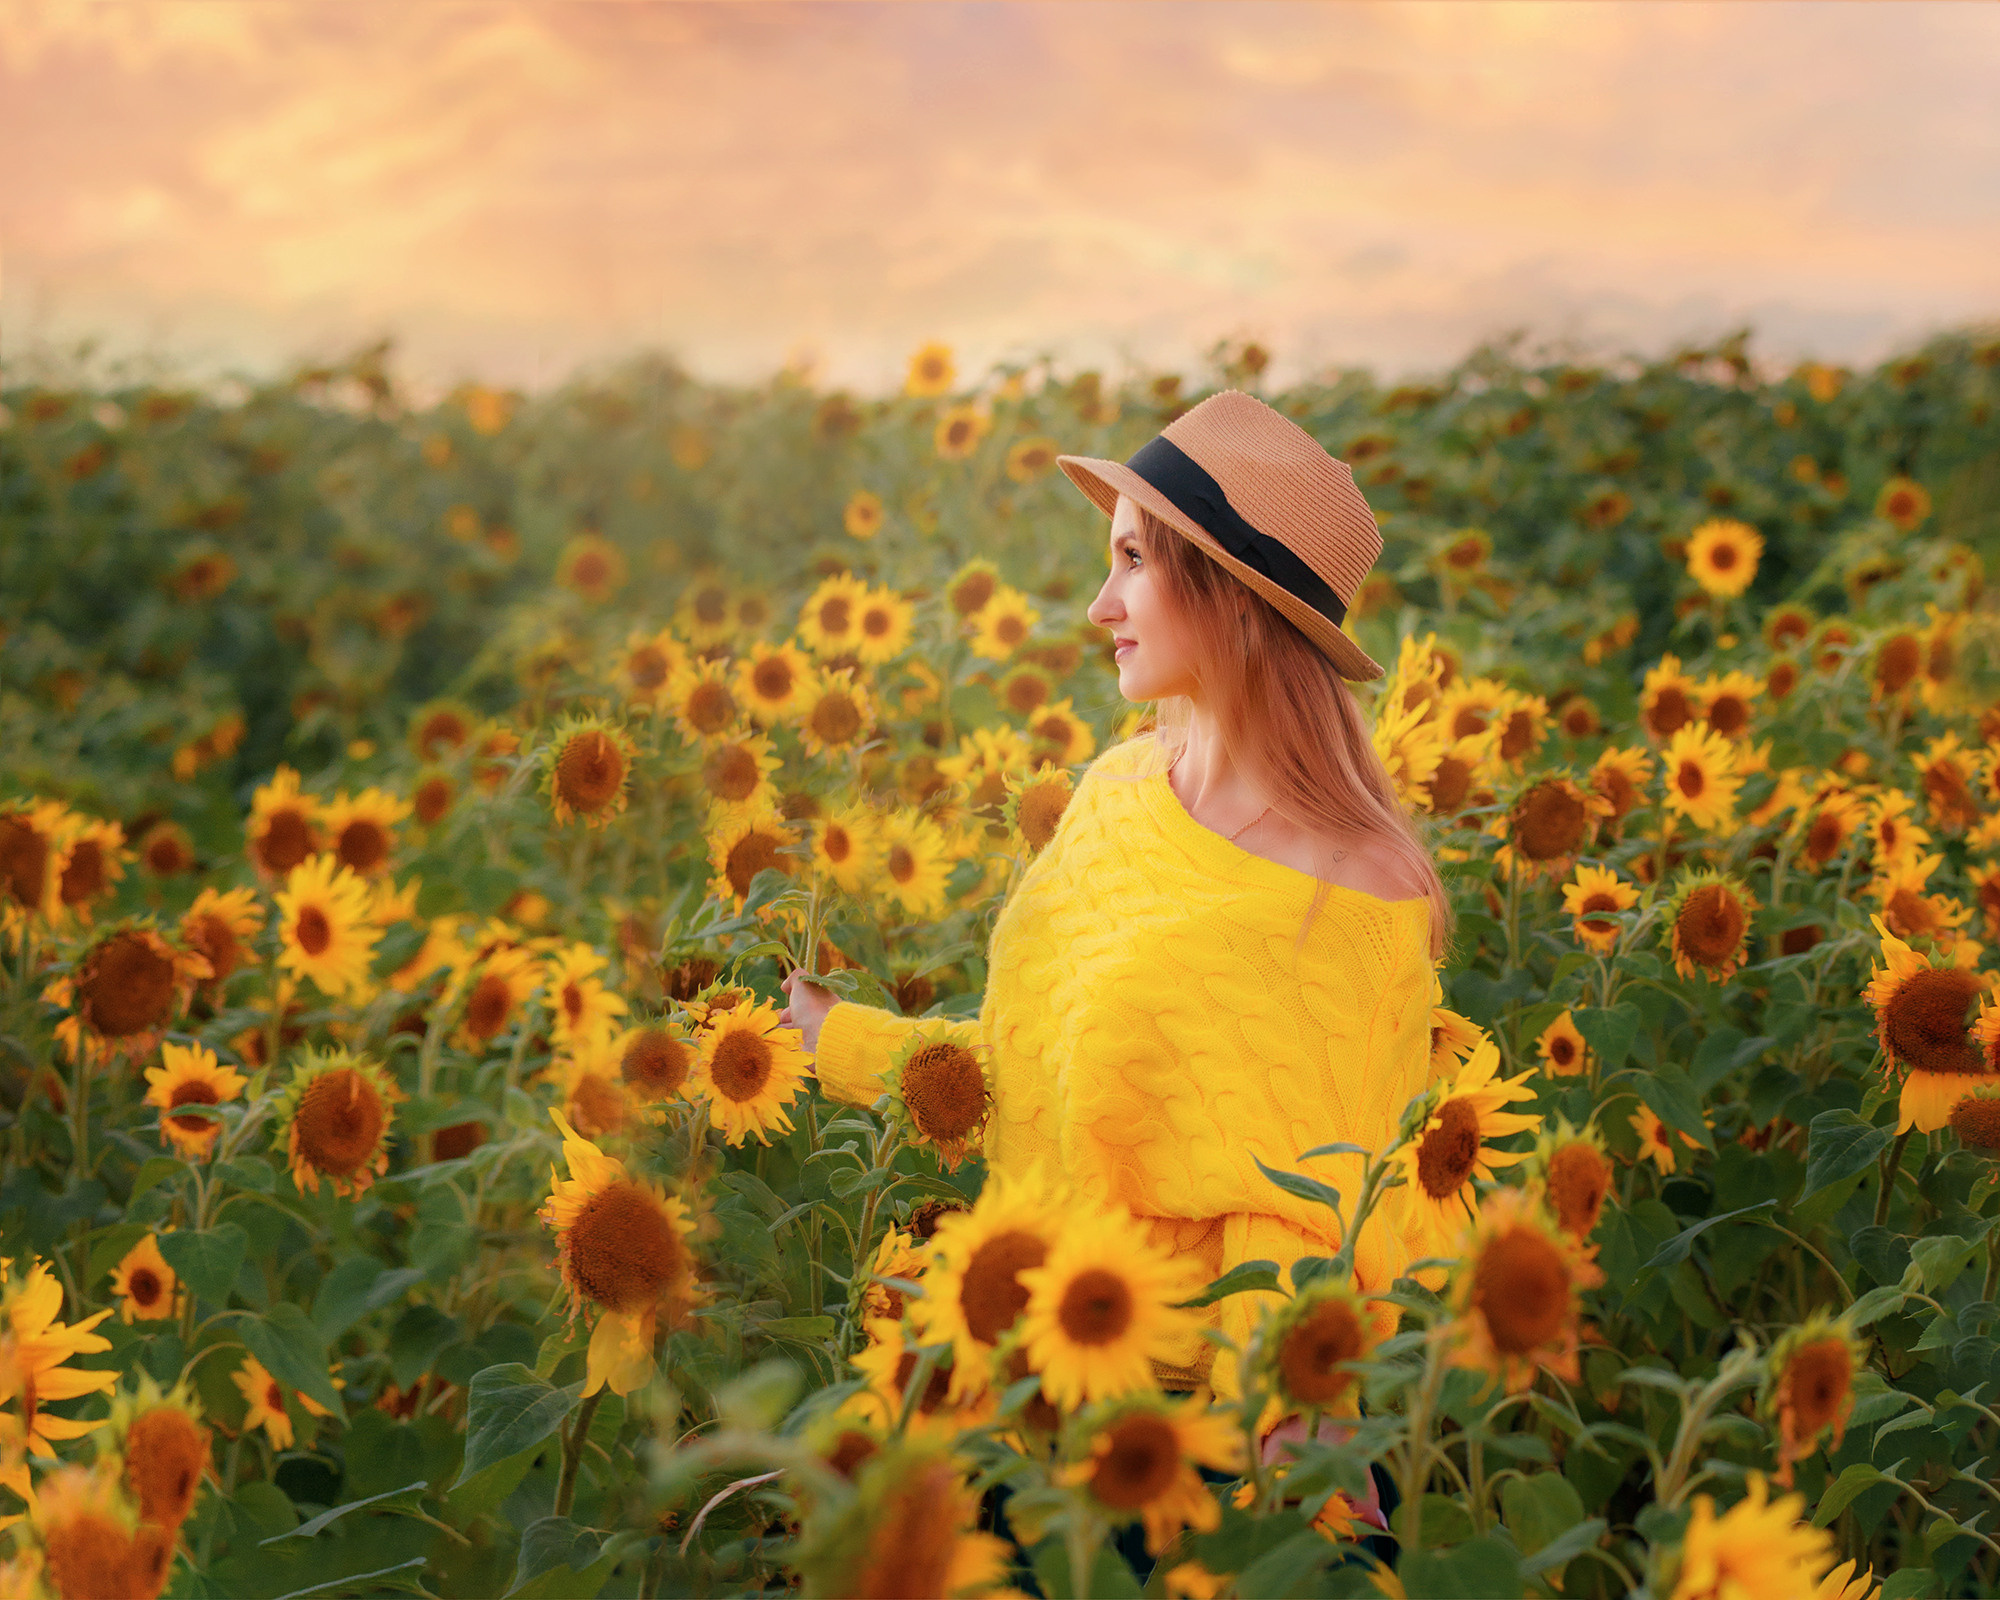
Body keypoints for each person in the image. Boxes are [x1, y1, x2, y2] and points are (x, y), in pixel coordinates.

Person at [781, 387, 1453, 1476]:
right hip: (1017, 1383)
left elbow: (1296, 1218)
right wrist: (838, 1042)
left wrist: (1282, 1442)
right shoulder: (1119, 789)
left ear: (1233, 596)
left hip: (1177, 1445)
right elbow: (1036, 1066)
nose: (1100, 606)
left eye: (1134, 559)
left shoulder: (1355, 895)